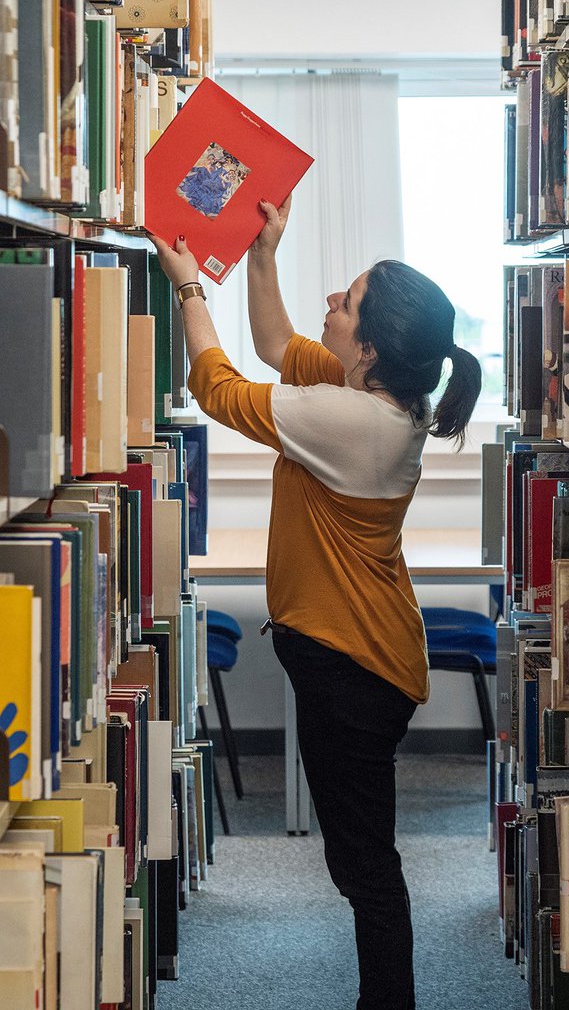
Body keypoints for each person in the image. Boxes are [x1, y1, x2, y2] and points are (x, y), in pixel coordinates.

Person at [151, 196, 482, 1010]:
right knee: (360, 860)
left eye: (349, 300)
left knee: (366, 868)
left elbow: (219, 389)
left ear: (368, 349)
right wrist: (264, 255)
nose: (333, 298)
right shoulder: (374, 394)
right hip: (360, 656)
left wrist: (189, 289)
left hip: (354, 668)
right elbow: (274, 346)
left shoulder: (353, 420)